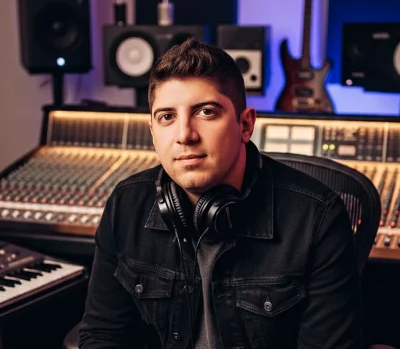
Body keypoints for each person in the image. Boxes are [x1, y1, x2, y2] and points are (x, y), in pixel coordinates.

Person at [79, 37, 363, 348]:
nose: (184, 135)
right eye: (167, 117)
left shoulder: (317, 218)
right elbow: (102, 335)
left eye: (206, 112)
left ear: (245, 125)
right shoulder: (126, 204)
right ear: (152, 133)